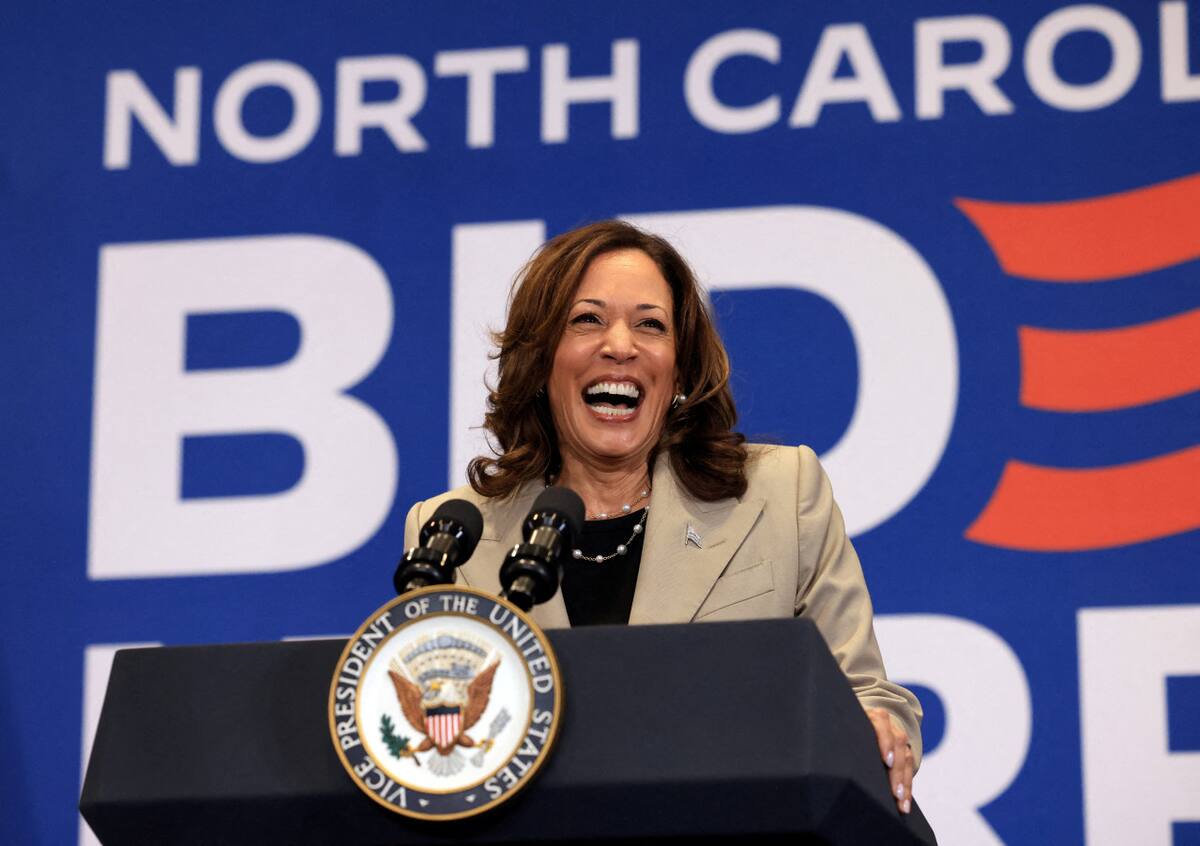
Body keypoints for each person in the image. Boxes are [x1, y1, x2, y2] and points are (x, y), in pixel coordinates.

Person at [404, 220, 921, 814]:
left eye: (650, 324)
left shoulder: (779, 494)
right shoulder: (451, 532)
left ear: (678, 371)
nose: (620, 345)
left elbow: (867, 695)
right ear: (541, 362)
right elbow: (434, 745)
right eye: (587, 319)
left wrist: (880, 729)